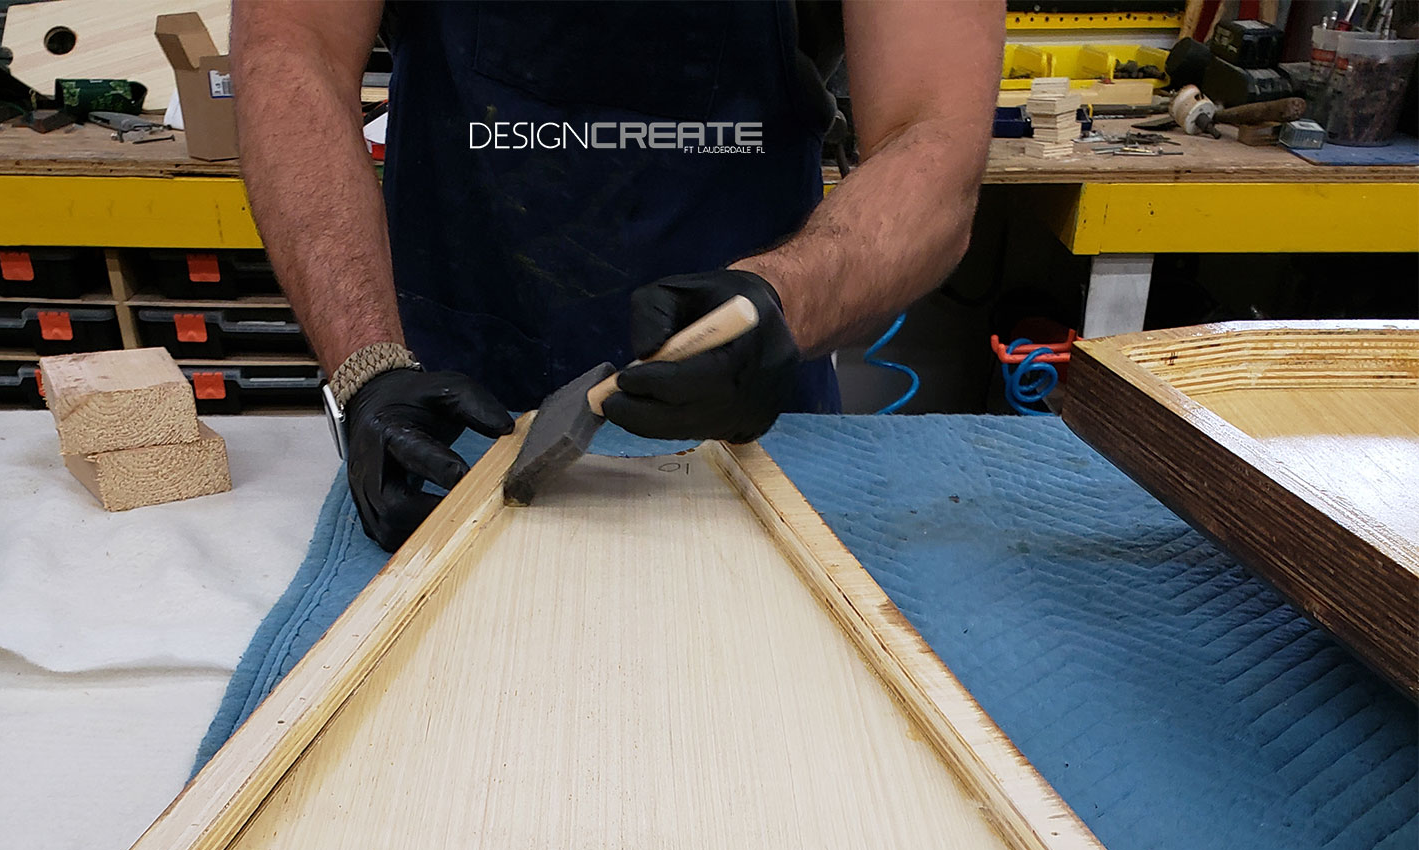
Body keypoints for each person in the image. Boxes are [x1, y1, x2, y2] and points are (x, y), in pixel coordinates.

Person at [232, 1, 1005, 548]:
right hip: (449, 420)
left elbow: (932, 137)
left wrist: (784, 301)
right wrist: (367, 365)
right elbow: (290, 49)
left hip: (748, 414)